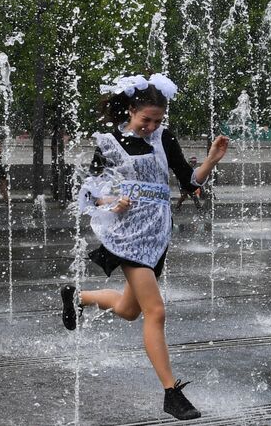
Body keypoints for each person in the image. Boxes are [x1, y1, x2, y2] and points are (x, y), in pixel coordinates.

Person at [59, 74, 229, 421]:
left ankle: (78, 297)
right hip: (126, 235)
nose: (151, 126)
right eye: (145, 120)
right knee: (157, 311)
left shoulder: (164, 137)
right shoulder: (109, 141)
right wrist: (111, 201)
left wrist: (211, 160)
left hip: (157, 233)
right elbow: (90, 190)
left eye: (157, 120)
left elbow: (188, 181)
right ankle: (171, 393)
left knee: (128, 309)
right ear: (131, 111)